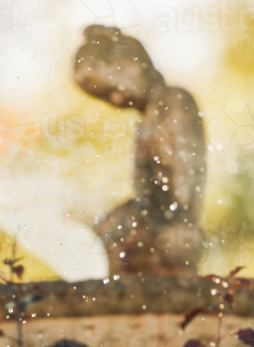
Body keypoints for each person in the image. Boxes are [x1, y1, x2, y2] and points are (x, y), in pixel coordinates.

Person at [75, 25, 207, 276]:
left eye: (113, 88)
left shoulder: (173, 100)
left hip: (174, 230)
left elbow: (183, 180)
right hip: (158, 225)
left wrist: (176, 216)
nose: (115, 101)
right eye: (104, 97)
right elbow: (146, 198)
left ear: (132, 64)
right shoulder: (146, 121)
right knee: (101, 236)